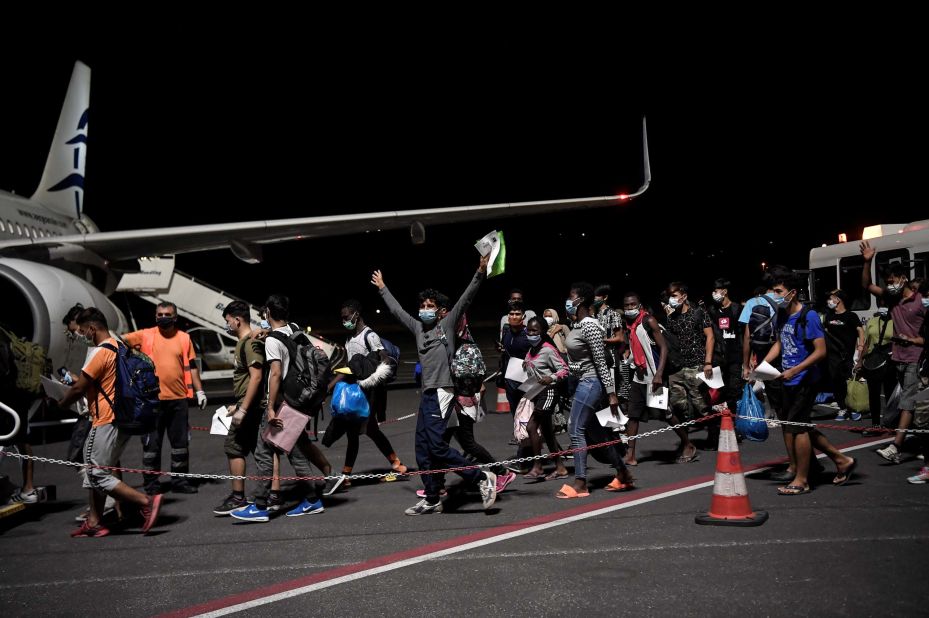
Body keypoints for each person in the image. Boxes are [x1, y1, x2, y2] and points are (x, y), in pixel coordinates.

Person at [371, 251, 497, 515]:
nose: (425, 310)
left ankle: (481, 477)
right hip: (427, 393)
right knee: (422, 447)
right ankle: (431, 498)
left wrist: (480, 272)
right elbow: (397, 311)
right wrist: (383, 288)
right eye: (423, 306)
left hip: (443, 391)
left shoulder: (446, 326)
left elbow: (465, 299)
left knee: (438, 447)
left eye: (430, 306)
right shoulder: (418, 329)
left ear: (439, 311)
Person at [56, 307, 162, 537]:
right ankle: (94, 521)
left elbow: (78, 387)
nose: (83, 336)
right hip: (122, 418)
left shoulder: (100, 352)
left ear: (92, 329)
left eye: (84, 331)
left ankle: (146, 502)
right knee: (101, 469)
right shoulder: (119, 347)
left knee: (95, 474)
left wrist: (62, 403)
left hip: (104, 419)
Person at [230, 294, 332, 522]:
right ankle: (312, 500)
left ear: (267, 313)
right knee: (296, 453)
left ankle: (260, 506)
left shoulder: (274, 342)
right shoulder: (294, 329)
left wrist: (270, 409)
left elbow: (275, 374)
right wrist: (266, 334)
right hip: (299, 402)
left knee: (263, 450)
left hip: (282, 405)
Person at [761, 270, 857, 495]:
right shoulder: (783, 314)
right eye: (772, 291)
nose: (774, 296)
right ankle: (841, 460)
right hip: (788, 378)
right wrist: (763, 364)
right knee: (797, 425)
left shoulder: (809, 315)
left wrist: (796, 369)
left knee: (799, 427)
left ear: (792, 293)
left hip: (805, 380)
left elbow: (820, 351)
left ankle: (802, 480)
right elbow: (780, 343)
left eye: (778, 291)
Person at [122, 302, 206, 495]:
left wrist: (200, 391)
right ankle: (151, 483)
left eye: (167, 314)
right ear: (155, 316)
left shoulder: (184, 338)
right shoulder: (145, 335)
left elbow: (192, 366)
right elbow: (118, 341)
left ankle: (180, 481)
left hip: (178, 399)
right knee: (151, 444)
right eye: (159, 314)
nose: (163, 317)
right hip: (151, 400)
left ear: (175, 317)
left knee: (180, 444)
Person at [322, 299, 407, 487]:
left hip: (369, 393)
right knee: (369, 430)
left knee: (357, 432)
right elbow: (349, 367)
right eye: (342, 318)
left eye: (346, 317)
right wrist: (334, 384)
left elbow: (385, 361)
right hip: (356, 391)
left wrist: (370, 381)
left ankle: (347, 476)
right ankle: (397, 464)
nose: (344, 321)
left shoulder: (370, 336)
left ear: (356, 315)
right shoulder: (349, 338)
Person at [557, 282, 631, 498]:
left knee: (575, 428)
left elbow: (600, 362)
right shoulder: (578, 325)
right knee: (598, 434)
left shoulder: (589, 325)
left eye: (571, 297)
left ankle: (580, 483)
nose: (568, 301)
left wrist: (611, 393)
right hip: (583, 382)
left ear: (580, 300)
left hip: (591, 383)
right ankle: (623, 472)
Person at [861, 241, 927, 463]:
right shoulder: (892, 298)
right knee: (911, 404)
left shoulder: (921, 301)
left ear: (903, 279)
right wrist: (867, 261)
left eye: (892, 281)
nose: (889, 285)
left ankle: (896, 447)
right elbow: (867, 285)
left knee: (907, 401)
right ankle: (920, 442)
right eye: (887, 283)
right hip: (896, 357)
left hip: (915, 357)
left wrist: (916, 340)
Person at [213, 301, 268, 515]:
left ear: (237, 320)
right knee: (260, 451)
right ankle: (268, 494)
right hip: (247, 403)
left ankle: (238, 498)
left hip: (251, 406)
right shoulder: (244, 342)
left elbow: (256, 377)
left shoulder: (249, 343)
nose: (227, 325)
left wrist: (242, 409)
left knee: (233, 447)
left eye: (227, 321)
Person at [665, 282, 714, 455]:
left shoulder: (698, 313)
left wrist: (707, 362)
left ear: (684, 296)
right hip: (677, 368)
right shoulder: (671, 318)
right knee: (677, 405)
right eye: (670, 296)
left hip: (697, 365)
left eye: (674, 295)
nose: (671, 299)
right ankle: (686, 442)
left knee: (701, 405)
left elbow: (710, 337)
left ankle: (714, 433)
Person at [521, 316, 570, 481]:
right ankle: (560, 467)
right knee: (548, 432)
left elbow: (564, 368)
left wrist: (552, 378)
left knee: (531, 426)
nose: (531, 333)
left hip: (548, 392)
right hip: (536, 392)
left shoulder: (547, 349)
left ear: (542, 332)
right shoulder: (531, 350)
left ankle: (537, 466)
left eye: (535, 330)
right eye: (529, 330)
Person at [823, 289, 865, 421]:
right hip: (832, 356)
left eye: (831, 298)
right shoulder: (828, 316)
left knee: (848, 383)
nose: (828, 301)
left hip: (847, 356)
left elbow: (860, 331)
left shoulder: (851, 316)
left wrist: (860, 347)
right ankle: (842, 409)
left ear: (838, 300)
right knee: (836, 382)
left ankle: (852, 408)